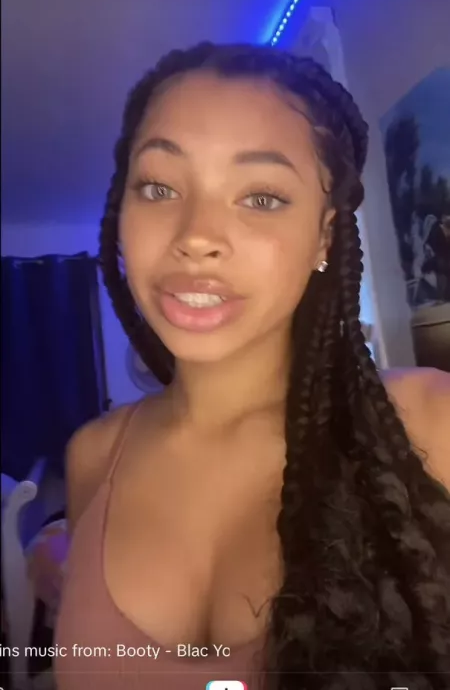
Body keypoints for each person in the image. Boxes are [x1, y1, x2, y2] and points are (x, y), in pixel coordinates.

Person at [55, 43, 450, 690]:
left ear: (324, 236)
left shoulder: (432, 425)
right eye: (158, 187)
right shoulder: (93, 457)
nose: (196, 236)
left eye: (262, 197)